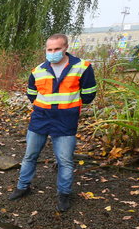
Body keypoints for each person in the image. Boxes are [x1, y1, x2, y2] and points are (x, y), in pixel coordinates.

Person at [8, 34, 97, 212]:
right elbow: (31, 94)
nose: (53, 52)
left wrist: (69, 107)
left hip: (66, 120)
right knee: (30, 156)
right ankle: (22, 187)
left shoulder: (82, 67)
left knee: (65, 160)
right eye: (49, 49)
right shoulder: (37, 70)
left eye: (57, 49)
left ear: (65, 48)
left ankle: (64, 194)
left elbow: (89, 94)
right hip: (40, 119)